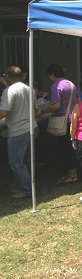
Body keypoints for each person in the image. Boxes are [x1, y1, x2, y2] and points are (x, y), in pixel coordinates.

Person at [0, 66, 39, 199]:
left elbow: (4, 112)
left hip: (18, 131)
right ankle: (28, 186)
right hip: (32, 128)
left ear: (7, 77)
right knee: (27, 161)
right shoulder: (29, 89)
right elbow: (35, 110)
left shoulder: (9, 91)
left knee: (16, 163)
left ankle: (26, 189)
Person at [43, 64, 80, 184]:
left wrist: (43, 111)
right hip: (72, 118)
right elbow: (79, 101)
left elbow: (56, 105)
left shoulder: (55, 86)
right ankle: (72, 173)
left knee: (65, 148)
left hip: (62, 121)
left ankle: (72, 174)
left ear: (52, 75)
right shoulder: (71, 84)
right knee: (71, 147)